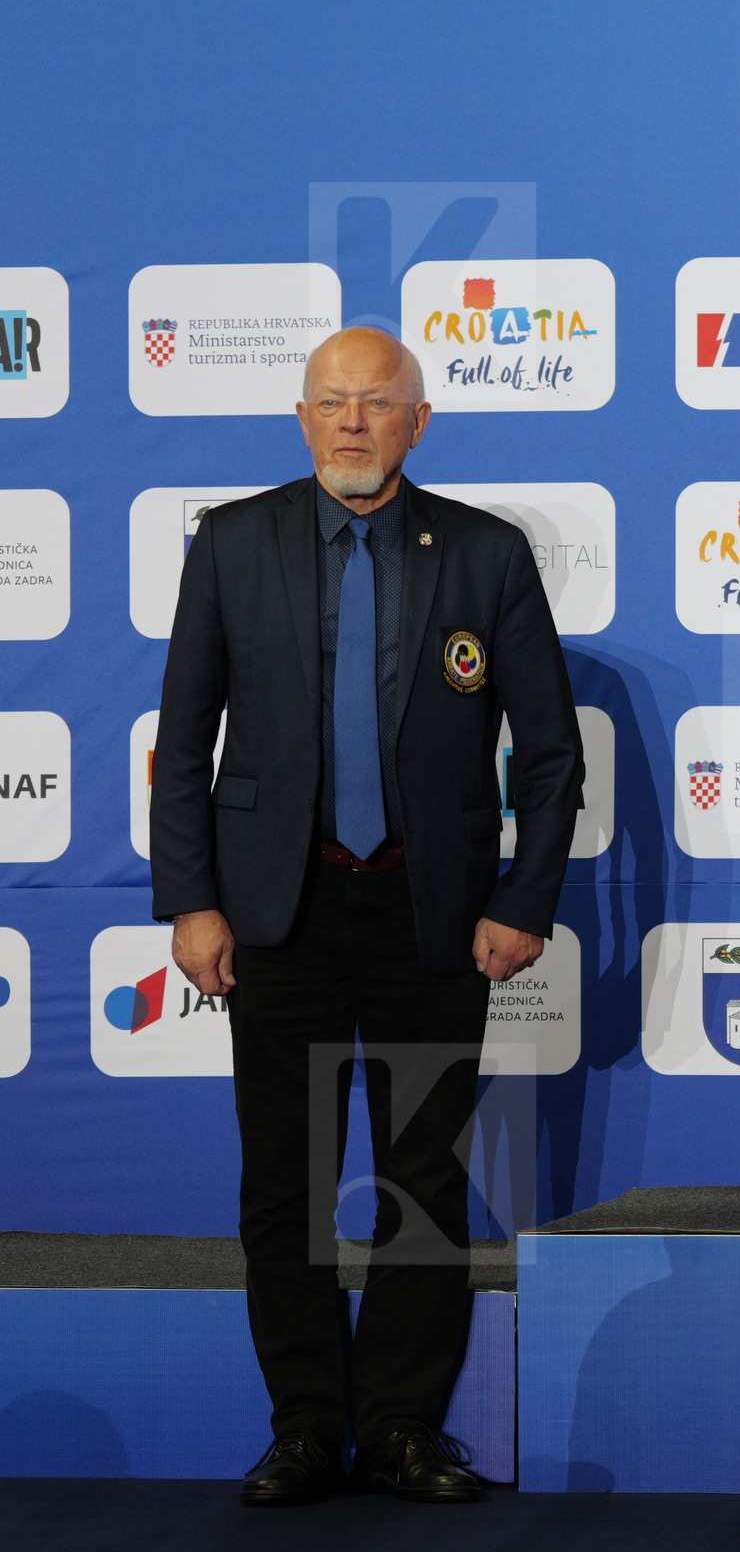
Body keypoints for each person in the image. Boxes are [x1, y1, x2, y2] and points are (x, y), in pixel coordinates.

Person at [151, 327, 584, 1507]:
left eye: (377, 404)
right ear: (302, 418)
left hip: (430, 911)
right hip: (274, 912)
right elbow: (181, 740)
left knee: (422, 1178)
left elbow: (549, 751)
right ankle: (303, 1427)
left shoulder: (487, 553)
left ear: (418, 420)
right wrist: (189, 896)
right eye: (332, 404)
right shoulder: (234, 542)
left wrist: (521, 898)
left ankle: (399, 1427)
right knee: (282, 1185)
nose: (353, 423)